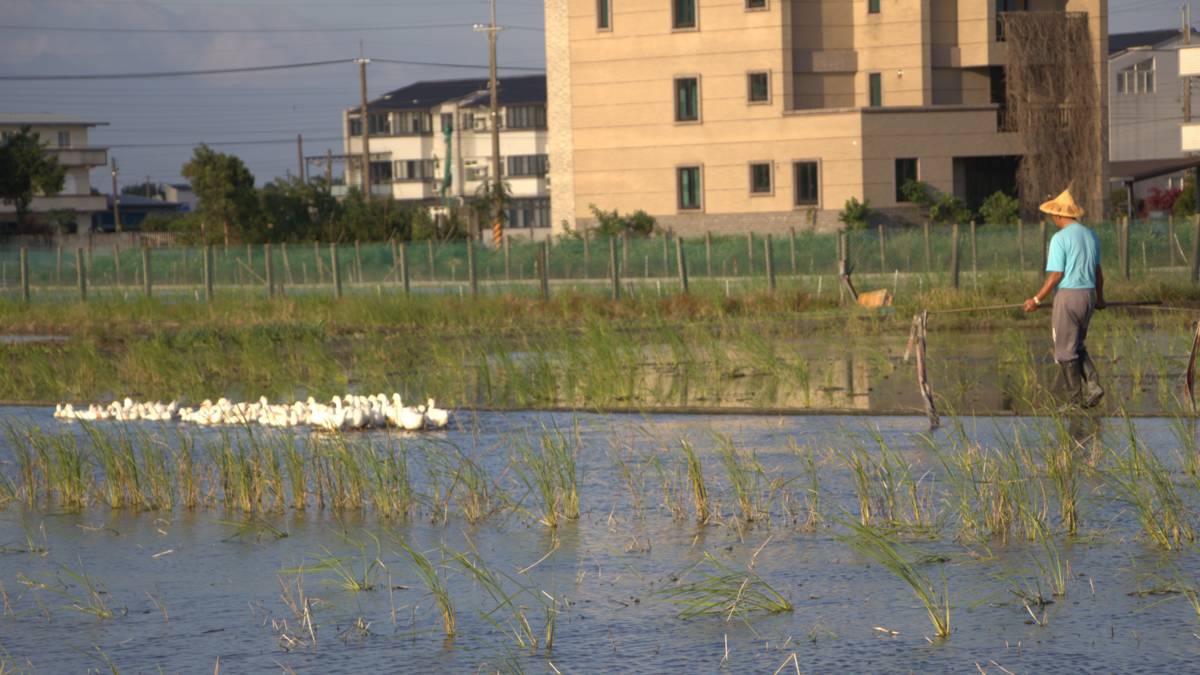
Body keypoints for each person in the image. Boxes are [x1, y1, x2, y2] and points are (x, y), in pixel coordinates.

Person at [1022, 189, 1105, 408]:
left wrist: (1036, 300)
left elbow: (1056, 274)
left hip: (1068, 297)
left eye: (1053, 216)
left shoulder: (1059, 239)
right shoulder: (1090, 235)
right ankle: (1094, 385)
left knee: (1064, 351)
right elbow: (1098, 272)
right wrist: (1100, 298)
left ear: (1059, 215)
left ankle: (1074, 401)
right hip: (1088, 295)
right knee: (1076, 345)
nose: (1052, 219)